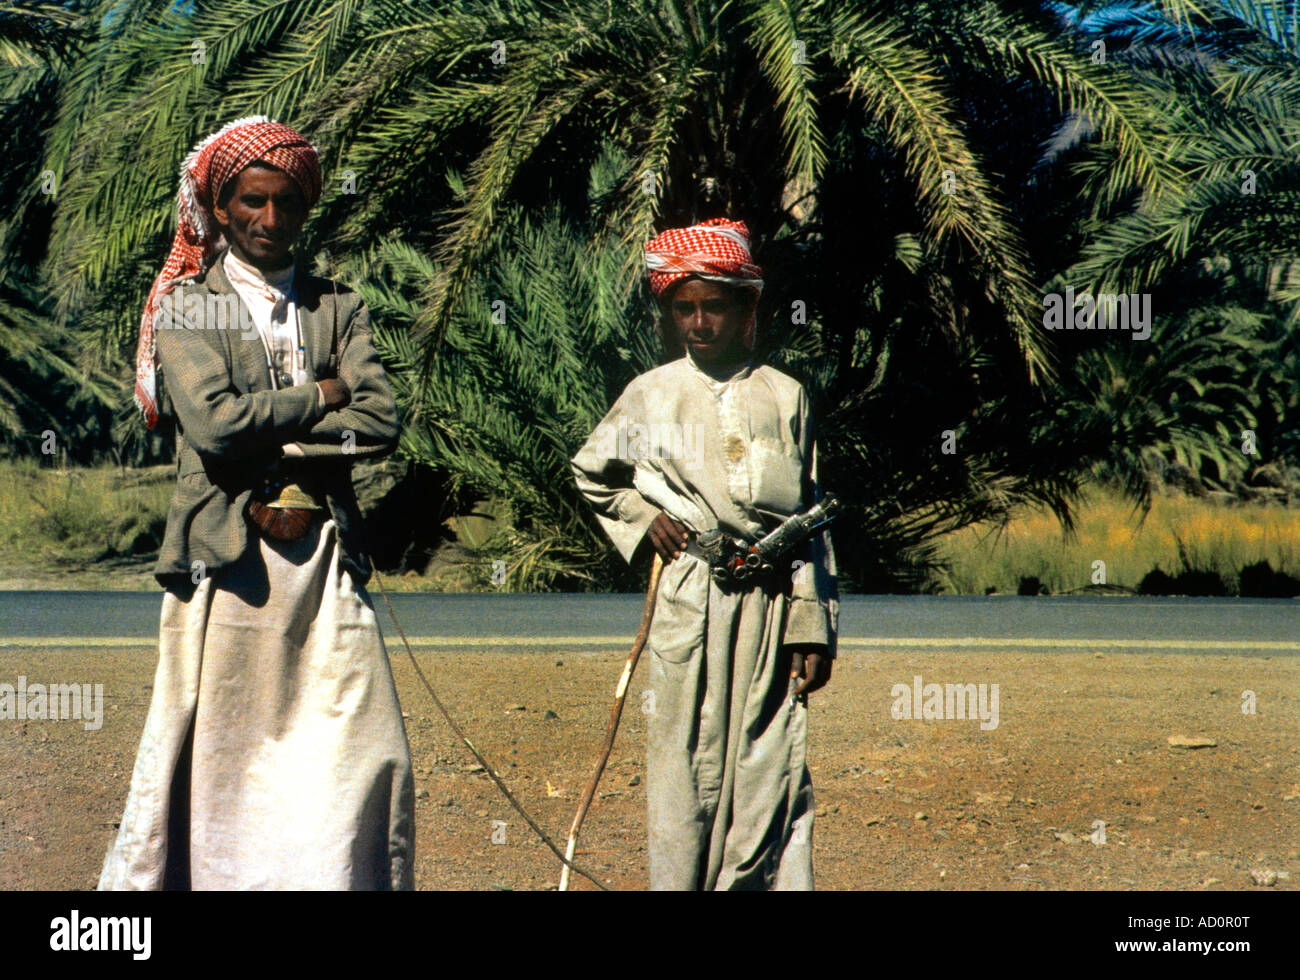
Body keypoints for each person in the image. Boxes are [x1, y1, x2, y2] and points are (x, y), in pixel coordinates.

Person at [100, 116, 414, 890]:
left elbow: (380, 419)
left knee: (360, 748)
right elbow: (213, 424)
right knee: (226, 761)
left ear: (306, 209)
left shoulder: (338, 306)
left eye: (288, 203)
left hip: (327, 558)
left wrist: (282, 451)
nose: (271, 219)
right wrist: (322, 395)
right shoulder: (188, 308)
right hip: (226, 559)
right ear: (221, 207)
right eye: (252, 201)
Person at [570, 217, 838, 890]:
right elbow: (592, 473)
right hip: (689, 597)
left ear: (746, 308)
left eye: (713, 306)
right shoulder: (650, 393)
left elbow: (811, 519)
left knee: (771, 766)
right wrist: (643, 519)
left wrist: (813, 628)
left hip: (772, 609)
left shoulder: (785, 395)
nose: (698, 323)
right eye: (683, 308)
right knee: (682, 766)